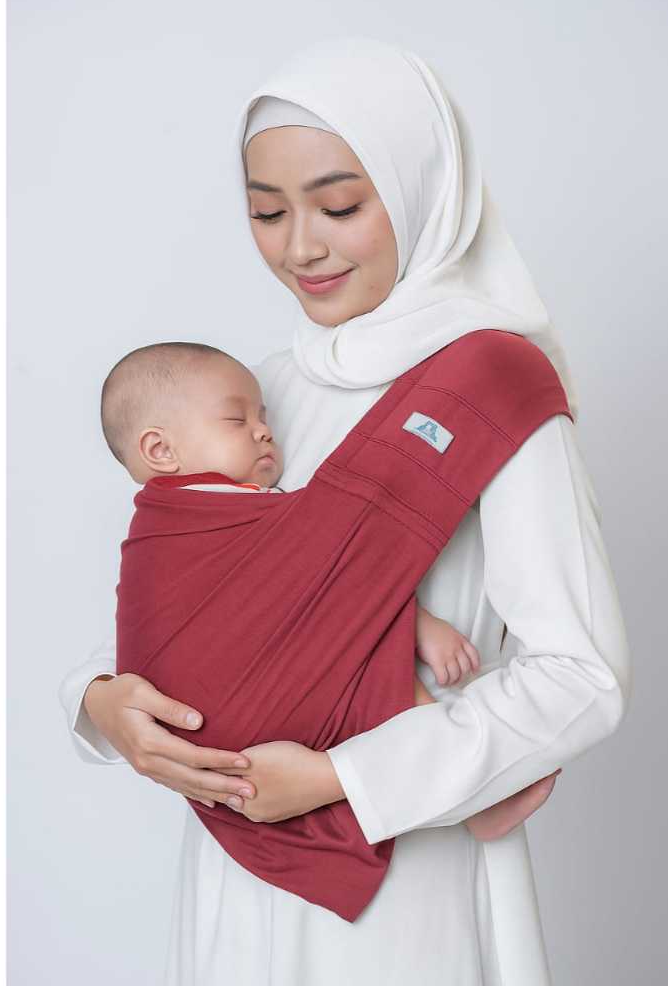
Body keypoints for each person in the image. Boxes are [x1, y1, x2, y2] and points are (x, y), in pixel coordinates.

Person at [58, 38, 631, 985]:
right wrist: (99, 701)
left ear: (420, 191)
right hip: (234, 872)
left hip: (402, 888)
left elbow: (582, 677)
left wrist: (342, 780)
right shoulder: (254, 393)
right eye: (266, 212)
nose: (300, 247)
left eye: (339, 206)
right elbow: (197, 601)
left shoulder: (491, 388)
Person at [101, 338, 568, 918]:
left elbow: (317, 587)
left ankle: (472, 793)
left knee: (360, 658)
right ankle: (477, 797)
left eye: (263, 417)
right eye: (237, 420)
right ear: (160, 449)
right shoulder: (180, 525)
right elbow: (329, 575)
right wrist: (418, 624)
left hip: (232, 737)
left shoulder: (235, 513)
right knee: (376, 667)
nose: (263, 431)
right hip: (199, 719)